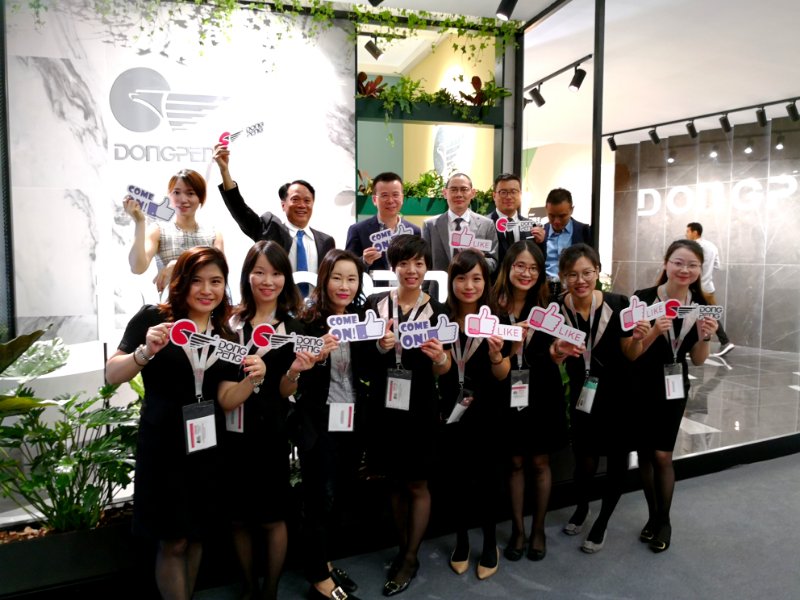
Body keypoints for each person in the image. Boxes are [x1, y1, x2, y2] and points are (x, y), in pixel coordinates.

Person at [106, 247, 254, 600]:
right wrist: (146, 351)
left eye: (215, 281)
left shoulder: (225, 335)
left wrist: (254, 379)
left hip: (207, 446)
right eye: (197, 281)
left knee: (196, 535)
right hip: (164, 446)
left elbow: (226, 398)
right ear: (182, 282)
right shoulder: (154, 318)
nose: (207, 290)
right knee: (172, 541)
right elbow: (112, 374)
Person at [217, 241, 305, 600]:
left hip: (270, 432)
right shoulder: (229, 325)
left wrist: (294, 372)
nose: (268, 281)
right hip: (231, 432)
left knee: (272, 516)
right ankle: (248, 587)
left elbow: (285, 390)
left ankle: (270, 591)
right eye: (259, 272)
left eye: (276, 273)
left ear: (286, 278)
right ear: (247, 276)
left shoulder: (294, 328)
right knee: (238, 517)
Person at [366, 234, 452, 597]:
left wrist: (441, 358)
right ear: (393, 267)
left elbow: (444, 369)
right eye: (404, 263)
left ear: (427, 267)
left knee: (417, 483)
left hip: (420, 408)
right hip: (385, 407)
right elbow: (364, 362)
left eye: (419, 263)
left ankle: (411, 556)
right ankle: (403, 547)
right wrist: (378, 346)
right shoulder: (375, 304)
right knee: (394, 481)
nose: (412, 270)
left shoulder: (439, 310)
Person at [556, 244, 650, 554]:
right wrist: (556, 350)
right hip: (582, 394)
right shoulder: (557, 310)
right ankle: (583, 507)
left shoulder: (618, 305)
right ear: (563, 276)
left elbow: (630, 354)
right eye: (572, 274)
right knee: (584, 459)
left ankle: (603, 520)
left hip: (618, 394)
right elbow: (550, 355)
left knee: (617, 461)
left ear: (597, 271)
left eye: (587, 272)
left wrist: (639, 339)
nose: (580, 280)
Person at [633, 239, 718, 553]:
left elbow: (698, 359)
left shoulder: (700, 305)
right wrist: (654, 330)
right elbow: (632, 350)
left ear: (700, 269)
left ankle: (664, 520)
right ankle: (652, 516)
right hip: (641, 383)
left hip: (675, 384)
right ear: (666, 263)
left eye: (692, 265)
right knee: (645, 453)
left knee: (662, 455)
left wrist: (705, 337)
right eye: (678, 262)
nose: (685, 270)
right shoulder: (643, 299)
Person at [296, 249, 370, 600]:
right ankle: (318, 579)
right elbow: (297, 381)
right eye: (337, 277)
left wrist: (381, 345)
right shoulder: (307, 323)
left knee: (341, 494)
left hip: (353, 417)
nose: (344, 285)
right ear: (324, 279)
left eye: (352, 278)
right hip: (320, 421)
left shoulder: (361, 319)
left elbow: (368, 370)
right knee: (318, 498)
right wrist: (316, 357)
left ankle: (323, 563)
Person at [491, 240, 568, 563]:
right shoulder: (493, 307)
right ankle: (518, 530)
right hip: (507, 390)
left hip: (543, 390)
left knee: (539, 462)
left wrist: (558, 351)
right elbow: (492, 361)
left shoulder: (550, 307)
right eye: (520, 266)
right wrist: (511, 344)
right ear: (508, 267)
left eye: (534, 268)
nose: (527, 273)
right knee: (515, 462)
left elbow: (555, 351)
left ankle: (538, 529)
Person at [438, 250, 509, 580]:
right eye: (462, 278)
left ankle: (491, 542)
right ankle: (462, 541)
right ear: (451, 281)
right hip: (453, 412)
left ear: (486, 282)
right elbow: (439, 371)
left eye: (477, 278)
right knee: (457, 480)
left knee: (489, 480)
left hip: (488, 412)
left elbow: (503, 374)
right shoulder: (441, 319)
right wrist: (439, 359)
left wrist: (496, 356)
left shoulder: (498, 320)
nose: (469, 285)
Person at [212, 143, 336, 277]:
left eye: (307, 201)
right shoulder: (270, 231)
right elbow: (240, 210)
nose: (302, 205)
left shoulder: (326, 242)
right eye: (295, 199)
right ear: (283, 205)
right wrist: (224, 171)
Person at [124, 169, 223, 294]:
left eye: (190, 193)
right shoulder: (159, 230)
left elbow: (219, 274)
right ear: (169, 195)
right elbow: (137, 267)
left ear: (200, 197)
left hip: (205, 302)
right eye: (176, 192)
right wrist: (139, 222)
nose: (183, 199)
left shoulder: (213, 234)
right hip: (171, 303)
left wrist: (177, 265)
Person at [422, 173, 498, 273]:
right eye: (453, 190)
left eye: (464, 189)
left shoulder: (487, 225)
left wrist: (480, 259)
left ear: (473, 193)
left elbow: (493, 263)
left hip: (472, 282)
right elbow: (424, 262)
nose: (459, 194)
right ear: (445, 193)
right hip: (440, 282)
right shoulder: (430, 225)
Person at [345, 172, 421, 273]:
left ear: (402, 198)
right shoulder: (358, 230)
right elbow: (346, 268)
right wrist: (364, 261)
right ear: (374, 200)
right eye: (384, 195)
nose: (390, 200)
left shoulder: (414, 232)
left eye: (395, 195)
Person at [530, 188, 592, 297]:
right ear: (546, 210)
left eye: (562, 216)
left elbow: (593, 263)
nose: (556, 221)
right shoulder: (539, 234)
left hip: (574, 291)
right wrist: (539, 243)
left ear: (571, 210)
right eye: (552, 216)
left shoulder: (584, 231)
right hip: (544, 292)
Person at [685, 222, 734, 357]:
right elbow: (717, 266)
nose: (686, 234)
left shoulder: (693, 247)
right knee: (706, 314)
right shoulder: (712, 246)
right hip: (708, 287)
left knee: (696, 314)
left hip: (697, 288)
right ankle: (723, 342)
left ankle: (725, 341)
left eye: (688, 231)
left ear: (695, 232)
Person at [488, 173, 532, 266]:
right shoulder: (485, 224)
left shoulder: (530, 225)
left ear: (520, 194)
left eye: (513, 192)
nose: (508, 197)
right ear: (494, 196)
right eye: (503, 192)